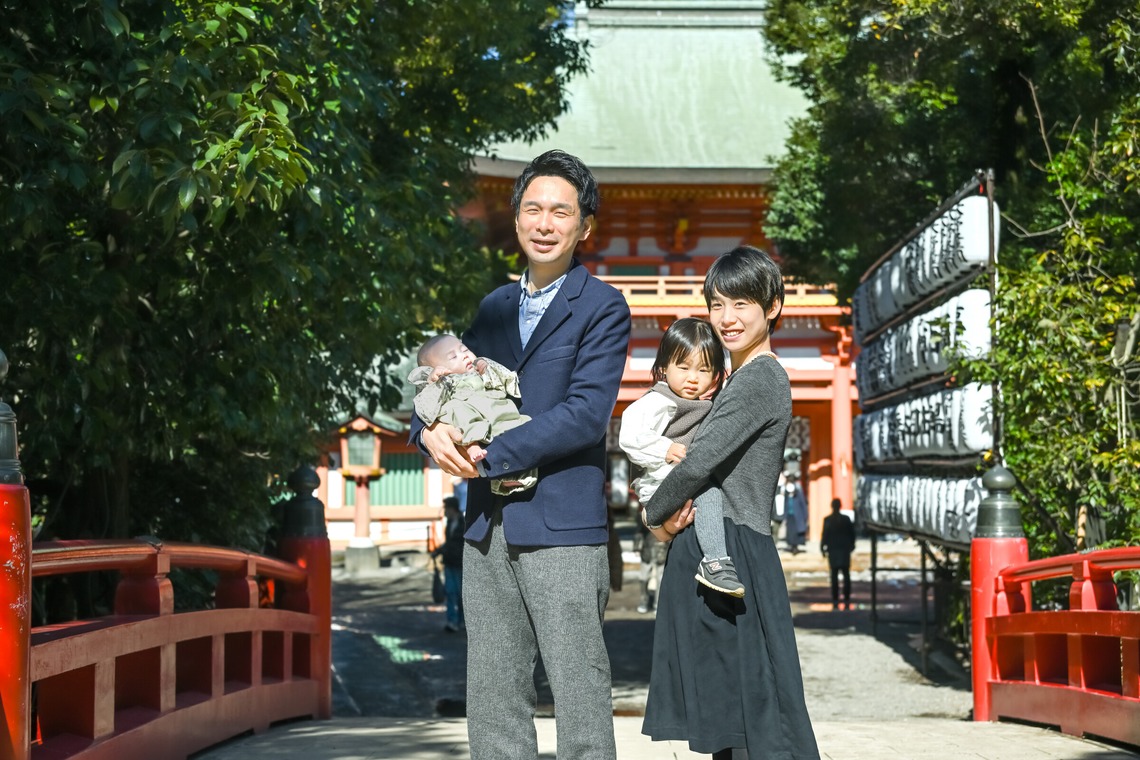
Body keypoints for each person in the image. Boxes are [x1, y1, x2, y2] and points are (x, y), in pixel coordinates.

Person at [411, 149, 631, 760]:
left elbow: (587, 413)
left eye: (560, 211)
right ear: (515, 221)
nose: (544, 222)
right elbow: (444, 378)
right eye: (532, 208)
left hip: (560, 522)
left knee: (578, 689)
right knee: (493, 693)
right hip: (487, 527)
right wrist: (425, 429)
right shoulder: (494, 308)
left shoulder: (603, 307)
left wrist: (491, 451)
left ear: (584, 227)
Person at [640, 245, 820, 759]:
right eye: (717, 304)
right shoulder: (737, 378)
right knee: (741, 711)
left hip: (732, 552)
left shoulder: (760, 378)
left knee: (758, 714)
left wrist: (654, 516)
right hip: (725, 550)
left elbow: (697, 463)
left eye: (741, 304)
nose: (726, 318)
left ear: (774, 306)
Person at [619, 317, 743, 596]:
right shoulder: (659, 400)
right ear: (664, 368)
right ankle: (715, 562)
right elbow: (629, 433)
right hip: (658, 480)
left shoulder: (702, 404)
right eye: (684, 367)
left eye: (703, 370)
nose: (692, 378)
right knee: (708, 492)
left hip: (675, 480)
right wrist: (663, 449)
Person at [408, 333, 536, 495]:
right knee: (461, 413)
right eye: (453, 357)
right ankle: (472, 446)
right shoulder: (445, 384)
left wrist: (487, 369)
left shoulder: (478, 373)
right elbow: (424, 406)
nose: (464, 356)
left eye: (465, 350)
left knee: (519, 422)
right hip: (465, 412)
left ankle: (521, 472)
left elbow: (502, 380)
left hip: (494, 407)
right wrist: (434, 383)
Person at [432, 496, 466, 631]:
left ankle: (462, 621)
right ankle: (452, 621)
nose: (444, 511)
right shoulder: (450, 522)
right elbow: (449, 543)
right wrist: (439, 551)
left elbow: (456, 543)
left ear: (452, 508)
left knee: (461, 594)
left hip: (459, 562)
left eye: (446, 508)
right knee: (450, 592)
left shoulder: (463, 523)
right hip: (449, 561)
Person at [820, 497, 856, 610]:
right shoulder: (846, 519)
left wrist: (822, 547)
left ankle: (836, 597)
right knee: (845, 575)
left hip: (834, 550)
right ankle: (846, 597)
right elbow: (852, 534)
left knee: (835, 575)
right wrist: (851, 545)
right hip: (843, 549)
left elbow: (824, 535)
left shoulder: (828, 520)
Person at [784, 479, 808, 554]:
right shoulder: (787, 495)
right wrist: (784, 517)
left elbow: (803, 505)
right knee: (790, 532)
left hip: (798, 516)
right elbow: (785, 506)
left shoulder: (799, 494)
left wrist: (805, 516)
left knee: (797, 532)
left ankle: (796, 546)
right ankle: (792, 546)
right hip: (790, 516)